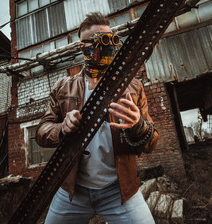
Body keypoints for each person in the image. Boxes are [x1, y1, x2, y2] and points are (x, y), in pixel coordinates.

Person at [36, 12, 159, 224]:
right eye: (98, 41)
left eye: (111, 39)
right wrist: (61, 128)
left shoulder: (133, 86)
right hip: (72, 191)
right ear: (82, 47)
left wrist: (138, 126)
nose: (107, 47)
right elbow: (41, 132)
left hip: (119, 189)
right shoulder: (63, 87)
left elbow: (152, 142)